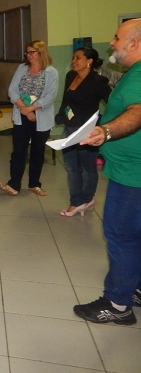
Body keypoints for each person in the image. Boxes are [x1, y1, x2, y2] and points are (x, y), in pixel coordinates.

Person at [73, 19, 141, 325]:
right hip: (133, 169)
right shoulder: (134, 73)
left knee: (121, 234)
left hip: (132, 174)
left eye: (117, 37)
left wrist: (107, 132)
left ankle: (117, 304)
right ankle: (135, 288)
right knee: (135, 234)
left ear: (134, 43)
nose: (112, 43)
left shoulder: (139, 75)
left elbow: (137, 112)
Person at [0, 40, 59, 196]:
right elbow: (12, 91)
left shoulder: (51, 72)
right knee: (18, 151)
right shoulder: (22, 68)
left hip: (41, 117)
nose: (28, 55)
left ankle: (34, 184)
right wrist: (24, 109)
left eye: (31, 52)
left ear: (41, 53)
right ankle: (14, 184)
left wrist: (30, 109)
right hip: (21, 114)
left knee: (38, 151)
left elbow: (50, 97)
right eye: (27, 52)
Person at [55, 47, 111, 217]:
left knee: (87, 167)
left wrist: (104, 126)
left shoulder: (98, 81)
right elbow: (66, 100)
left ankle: (87, 198)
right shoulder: (70, 76)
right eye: (73, 57)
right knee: (71, 167)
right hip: (69, 128)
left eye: (78, 58)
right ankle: (76, 201)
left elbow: (112, 102)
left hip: (87, 132)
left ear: (89, 61)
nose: (74, 61)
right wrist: (60, 115)